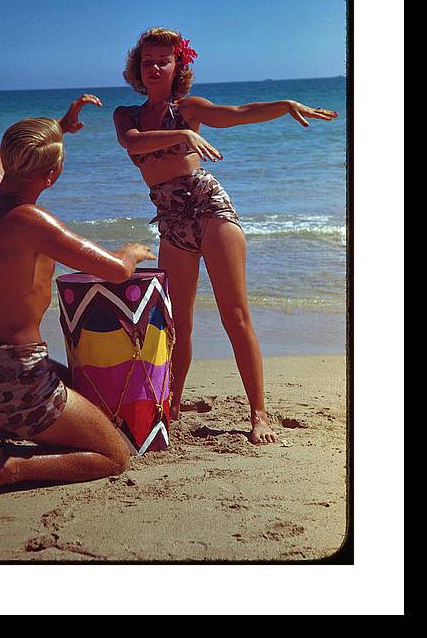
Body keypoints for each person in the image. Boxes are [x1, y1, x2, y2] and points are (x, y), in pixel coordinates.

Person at [112, 28, 338, 444]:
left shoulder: (190, 108)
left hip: (209, 209)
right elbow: (134, 143)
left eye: (164, 60)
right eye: (148, 61)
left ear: (178, 67)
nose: (155, 67)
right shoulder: (126, 115)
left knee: (235, 316)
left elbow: (239, 112)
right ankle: (173, 403)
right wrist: (183, 135)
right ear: (137, 69)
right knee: (176, 323)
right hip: (171, 219)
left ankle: (259, 413)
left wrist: (283, 105)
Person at [0, 94, 155, 502]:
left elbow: (1, 157)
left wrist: (60, 125)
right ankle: (9, 467)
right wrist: (131, 253)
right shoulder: (33, 223)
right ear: (52, 175)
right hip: (18, 378)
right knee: (114, 455)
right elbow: (115, 271)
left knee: (76, 383)